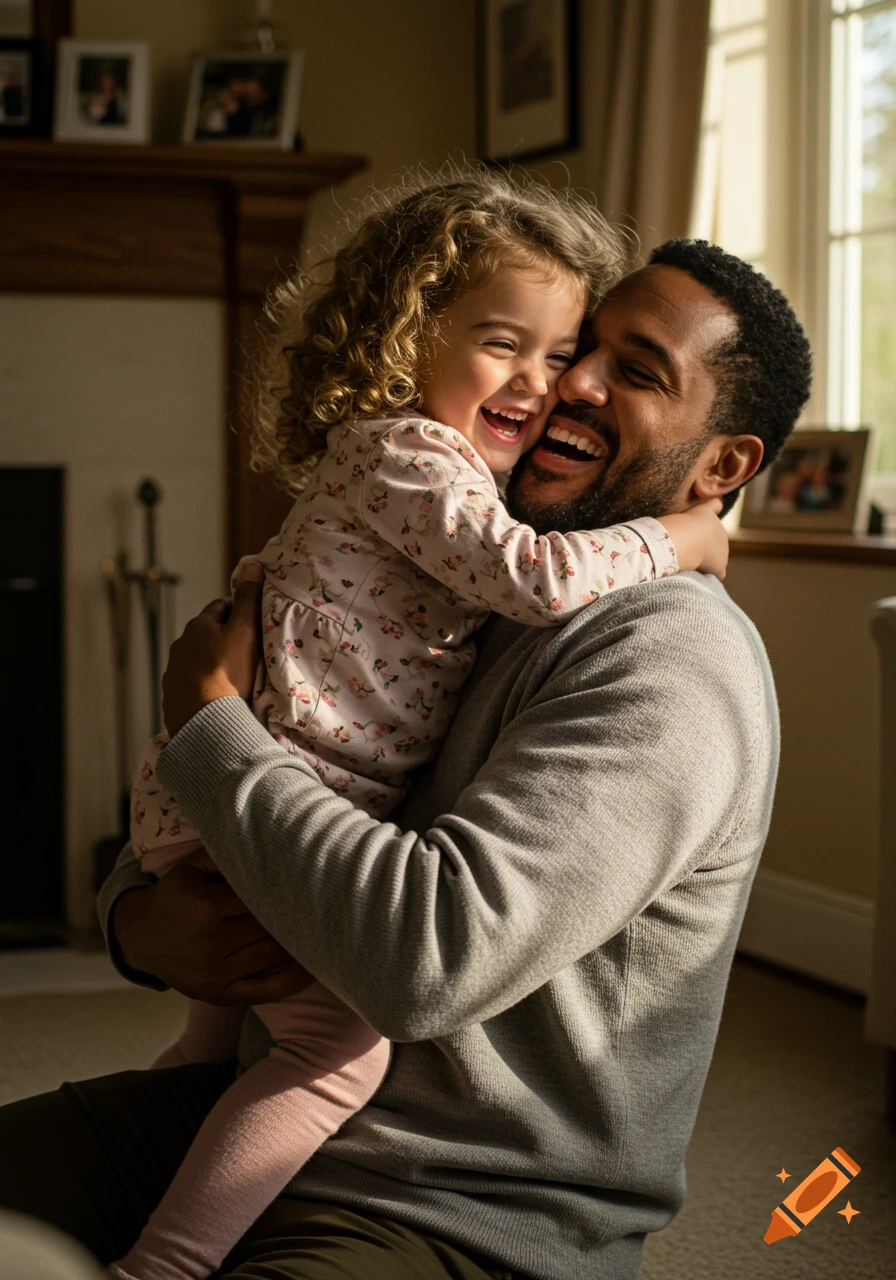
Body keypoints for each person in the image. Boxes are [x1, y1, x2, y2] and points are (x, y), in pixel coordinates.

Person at [0, 235, 812, 1280]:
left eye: (637, 370)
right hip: (254, 1112)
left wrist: (206, 722)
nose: (571, 382)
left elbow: (423, 960)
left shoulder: (665, 656)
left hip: (454, 1198)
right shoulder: (447, 561)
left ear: (721, 465)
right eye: (582, 347)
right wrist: (141, 922)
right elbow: (236, 791)